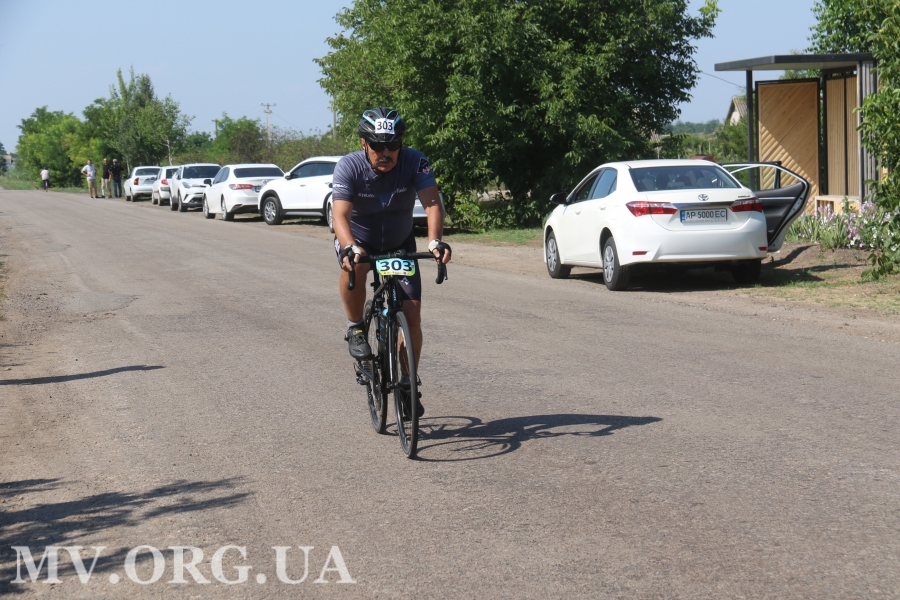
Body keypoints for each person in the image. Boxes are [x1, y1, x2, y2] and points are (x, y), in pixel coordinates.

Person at [332, 107, 451, 402]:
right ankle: (356, 327)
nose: (385, 152)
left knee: (412, 316)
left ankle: (408, 383)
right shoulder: (349, 166)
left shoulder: (415, 161)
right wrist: (349, 246)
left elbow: (432, 204)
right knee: (355, 266)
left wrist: (435, 241)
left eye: (393, 145)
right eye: (377, 145)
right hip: (359, 240)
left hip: (400, 242)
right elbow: (340, 215)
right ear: (364, 143)